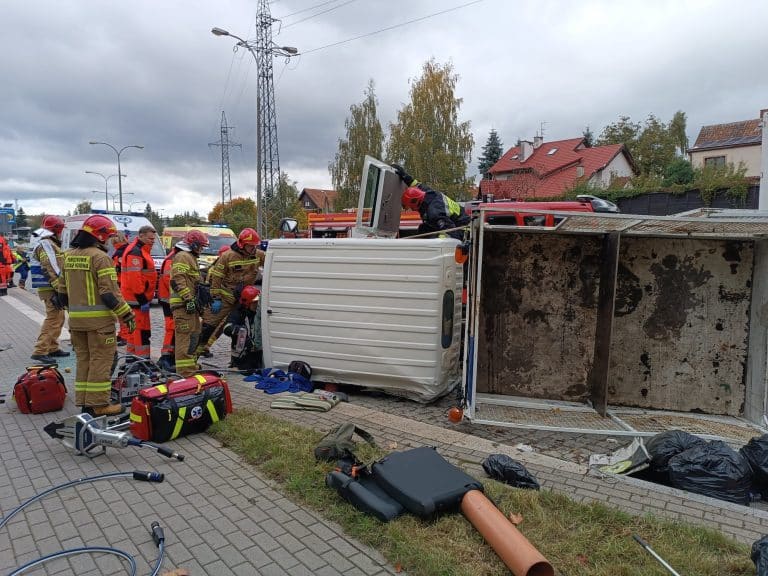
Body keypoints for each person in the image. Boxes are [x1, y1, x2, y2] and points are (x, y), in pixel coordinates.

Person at [56, 215, 136, 415]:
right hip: (100, 324)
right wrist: (127, 315)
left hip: (76, 323)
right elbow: (109, 293)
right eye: (108, 237)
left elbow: (61, 293)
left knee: (84, 361)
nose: (109, 241)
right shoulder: (100, 258)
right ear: (99, 237)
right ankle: (100, 405)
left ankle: (85, 402)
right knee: (101, 361)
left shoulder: (68, 256)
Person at [197, 228, 264, 356]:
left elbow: (273, 261)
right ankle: (195, 354)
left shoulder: (258, 255)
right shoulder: (228, 256)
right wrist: (215, 298)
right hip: (224, 298)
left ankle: (237, 357)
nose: (253, 249)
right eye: (251, 246)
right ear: (242, 244)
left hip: (243, 301)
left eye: (255, 246)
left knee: (239, 328)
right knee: (208, 326)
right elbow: (216, 277)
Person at [393, 164, 470, 240]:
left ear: (415, 203)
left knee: (441, 238)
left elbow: (451, 231)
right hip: (455, 221)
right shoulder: (426, 193)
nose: (411, 210)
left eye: (409, 207)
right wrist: (403, 174)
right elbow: (414, 183)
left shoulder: (435, 213)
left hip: (463, 229)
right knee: (423, 229)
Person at [29, 215, 69, 363]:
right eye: (60, 230)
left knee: (59, 317)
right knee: (53, 318)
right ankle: (40, 350)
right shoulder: (46, 243)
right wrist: (60, 289)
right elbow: (50, 266)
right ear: (56, 230)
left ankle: (52, 347)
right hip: (50, 287)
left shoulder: (46, 241)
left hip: (49, 286)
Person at [170, 230, 209, 377]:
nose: (202, 249)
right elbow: (177, 280)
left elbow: (192, 280)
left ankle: (191, 367)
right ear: (193, 244)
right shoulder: (182, 256)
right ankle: (185, 372)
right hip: (183, 306)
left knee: (194, 337)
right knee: (185, 340)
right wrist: (188, 299)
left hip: (190, 307)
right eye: (200, 246)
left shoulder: (189, 257)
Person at [120, 226, 158, 361]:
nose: (152, 241)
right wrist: (142, 299)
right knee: (141, 332)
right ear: (141, 236)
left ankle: (131, 359)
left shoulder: (140, 250)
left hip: (136, 298)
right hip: (136, 299)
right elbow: (134, 279)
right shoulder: (136, 252)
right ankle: (142, 361)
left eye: (153, 238)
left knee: (134, 333)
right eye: (150, 238)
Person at [222, 285, 263, 372]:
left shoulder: (258, 313)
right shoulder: (238, 313)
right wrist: (240, 331)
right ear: (247, 303)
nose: (257, 304)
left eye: (258, 302)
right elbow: (227, 328)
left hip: (257, 354)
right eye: (255, 302)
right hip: (242, 356)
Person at [157, 241, 182, 372]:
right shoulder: (172, 260)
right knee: (171, 328)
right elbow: (169, 280)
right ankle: (166, 356)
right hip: (169, 300)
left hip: (168, 299)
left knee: (172, 328)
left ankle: (169, 355)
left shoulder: (173, 258)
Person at [111, 231, 130, 346]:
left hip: (121, 285)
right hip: (122, 284)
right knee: (122, 311)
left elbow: (117, 269)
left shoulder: (121, 252)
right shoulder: (125, 250)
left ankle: (125, 335)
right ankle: (123, 334)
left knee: (122, 312)